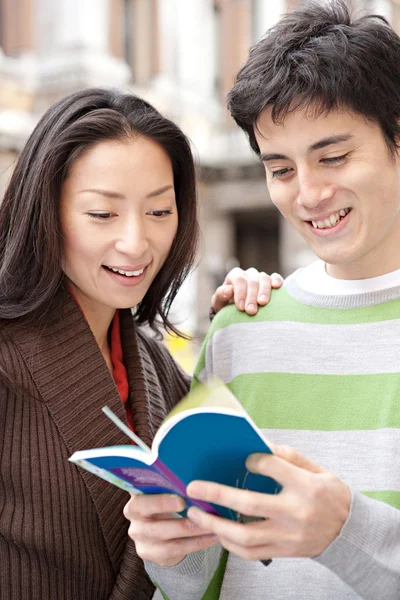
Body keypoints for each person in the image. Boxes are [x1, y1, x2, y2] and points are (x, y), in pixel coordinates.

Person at [124, 2, 400, 599]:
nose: (309, 194)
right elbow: (204, 579)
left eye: (333, 157)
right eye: (281, 168)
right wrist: (168, 552)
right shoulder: (241, 330)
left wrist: (343, 530)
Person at [0, 87, 280, 600]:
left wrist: (239, 331)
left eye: (158, 212)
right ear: (45, 210)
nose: (136, 243)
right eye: (103, 214)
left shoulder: (155, 363)